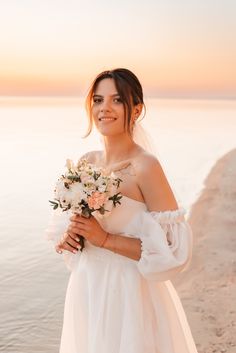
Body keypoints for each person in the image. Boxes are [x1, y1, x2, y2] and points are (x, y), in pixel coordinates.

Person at [46, 68, 198, 353]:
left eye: (117, 100)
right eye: (98, 99)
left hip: (130, 294)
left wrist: (105, 240)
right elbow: (75, 228)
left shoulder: (145, 166)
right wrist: (72, 237)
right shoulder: (86, 162)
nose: (105, 108)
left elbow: (173, 251)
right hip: (87, 285)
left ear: (137, 109)